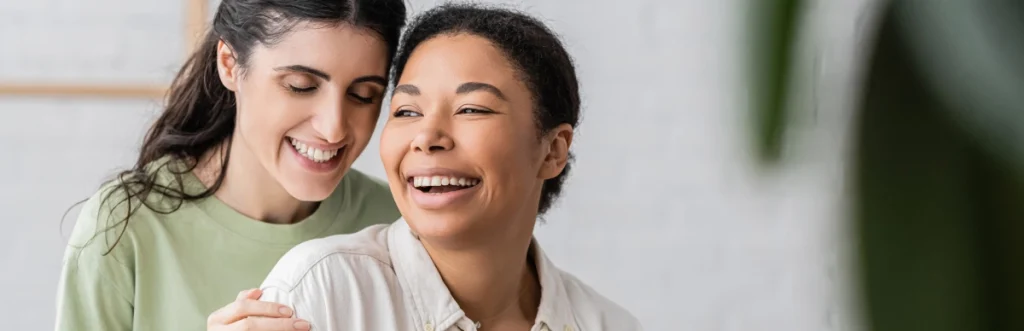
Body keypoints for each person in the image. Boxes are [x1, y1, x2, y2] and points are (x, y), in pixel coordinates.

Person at [258, 4, 644, 330]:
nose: (427, 137)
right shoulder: (321, 292)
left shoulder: (607, 323)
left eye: (471, 109)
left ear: (552, 151)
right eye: (407, 111)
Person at [54, 1, 406, 330]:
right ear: (229, 64)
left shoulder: (401, 225)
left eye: (363, 95)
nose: (333, 128)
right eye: (300, 86)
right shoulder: (126, 228)